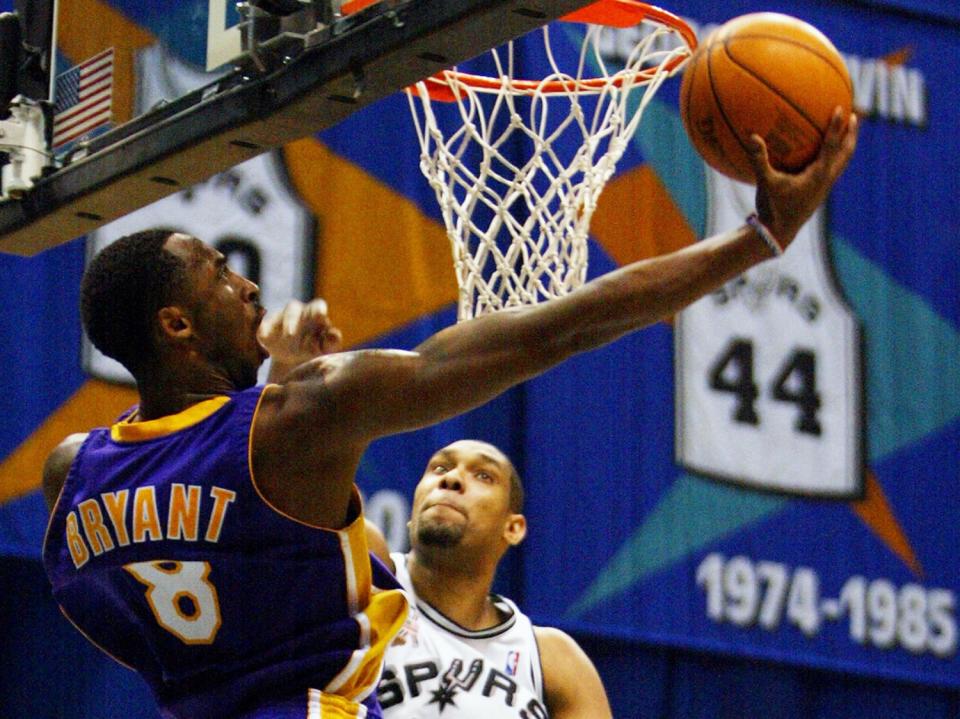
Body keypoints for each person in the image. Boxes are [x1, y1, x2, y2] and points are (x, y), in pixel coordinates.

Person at [41, 111, 858, 719]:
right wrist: (757, 238)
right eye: (220, 274)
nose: (246, 285)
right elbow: (567, 326)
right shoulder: (299, 417)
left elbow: (202, 556)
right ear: (176, 326)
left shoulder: (71, 471)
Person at [372, 439, 612, 719]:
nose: (451, 478)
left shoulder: (554, 660)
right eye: (439, 468)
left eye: (483, 476)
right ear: (413, 513)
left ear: (512, 528)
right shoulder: (369, 573)